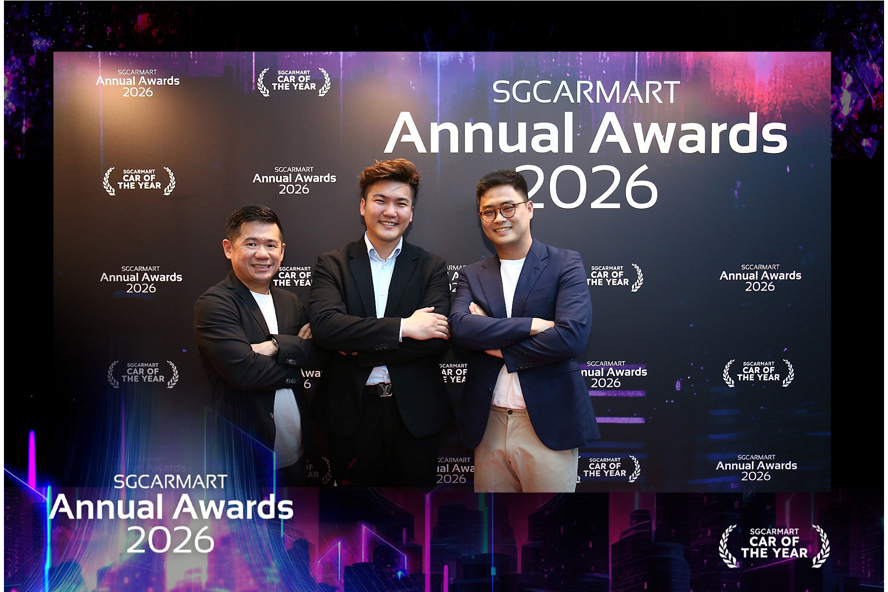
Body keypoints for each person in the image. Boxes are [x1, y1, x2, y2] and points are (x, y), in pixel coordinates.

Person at [449, 169, 600, 492]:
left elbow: (570, 338)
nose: (499, 218)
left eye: (508, 207)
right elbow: (461, 328)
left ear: (529, 208)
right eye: (489, 211)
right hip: (487, 423)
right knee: (493, 519)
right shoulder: (472, 275)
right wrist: (533, 325)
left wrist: (494, 341)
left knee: (547, 516)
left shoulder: (565, 263)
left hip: (548, 423)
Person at [309, 158, 453, 487]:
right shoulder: (332, 264)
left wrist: (355, 346)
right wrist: (405, 328)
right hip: (350, 414)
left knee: (416, 511)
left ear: (411, 212)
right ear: (363, 206)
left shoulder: (431, 266)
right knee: (355, 511)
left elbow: (434, 339)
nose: (390, 211)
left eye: (401, 203)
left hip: (416, 415)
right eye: (380, 201)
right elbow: (327, 328)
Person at [194, 204, 324, 487]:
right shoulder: (215, 304)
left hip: (297, 455)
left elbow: (320, 355)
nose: (263, 254)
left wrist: (274, 346)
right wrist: (295, 359)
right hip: (244, 460)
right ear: (229, 248)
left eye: (271, 245)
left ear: (282, 251)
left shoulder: (291, 302)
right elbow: (245, 372)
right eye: (251, 244)